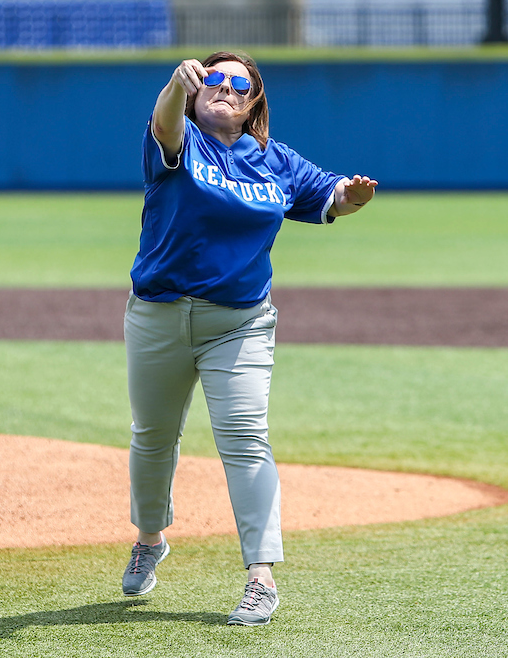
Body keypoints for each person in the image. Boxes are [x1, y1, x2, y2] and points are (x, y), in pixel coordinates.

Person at [121, 50, 377, 626]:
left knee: (245, 440)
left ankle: (261, 578)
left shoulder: (274, 161)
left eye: (242, 84)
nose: (227, 88)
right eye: (215, 78)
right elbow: (163, 123)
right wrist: (172, 85)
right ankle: (149, 538)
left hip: (237, 323)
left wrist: (352, 199)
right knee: (153, 437)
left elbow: (330, 194)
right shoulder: (180, 139)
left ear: (253, 102)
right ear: (196, 89)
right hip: (159, 313)